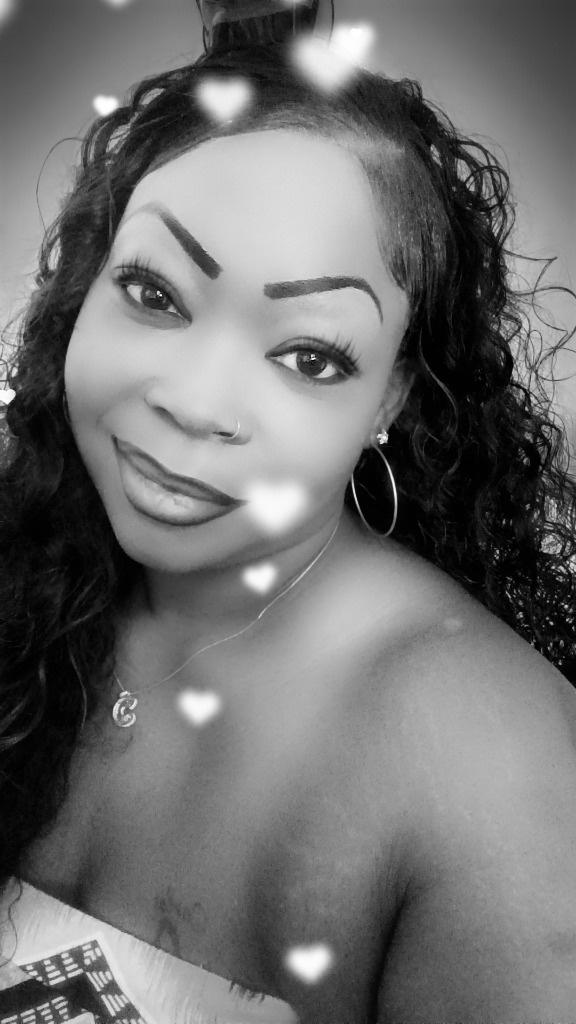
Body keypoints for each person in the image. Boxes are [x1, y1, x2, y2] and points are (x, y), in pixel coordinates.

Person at [0, 0, 575, 1020]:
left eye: (308, 355)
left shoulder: (488, 761)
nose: (194, 403)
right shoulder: (26, 551)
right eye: (154, 292)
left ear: (391, 398)